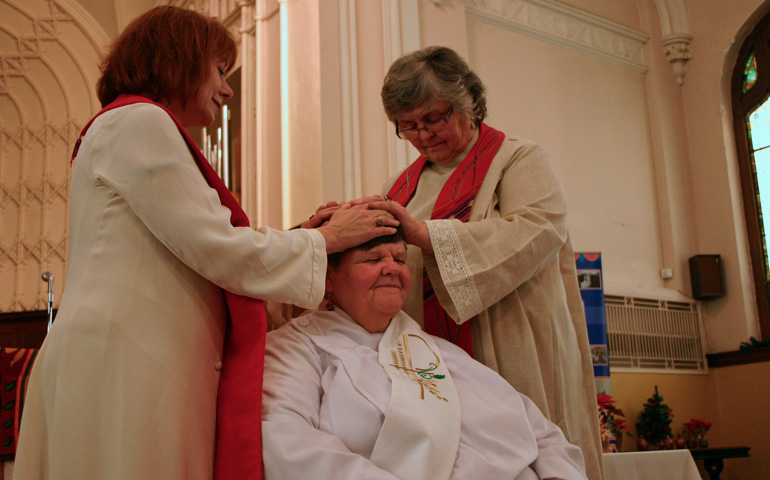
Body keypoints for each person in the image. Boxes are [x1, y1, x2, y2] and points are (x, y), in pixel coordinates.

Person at [12, 6, 396, 480]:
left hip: (141, 356)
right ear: (179, 59)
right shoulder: (140, 122)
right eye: (218, 70)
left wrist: (304, 238)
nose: (228, 88)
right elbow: (215, 247)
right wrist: (324, 240)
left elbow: (199, 241)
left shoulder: (134, 126)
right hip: (129, 362)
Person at [366, 46, 603, 479]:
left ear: (468, 104)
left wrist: (427, 235)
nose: (422, 135)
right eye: (408, 126)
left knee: (528, 456)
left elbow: (537, 229)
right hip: (430, 356)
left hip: (510, 337)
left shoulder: (519, 160)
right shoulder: (399, 186)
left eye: (433, 118)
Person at [261, 229, 588, 480]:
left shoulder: (437, 350)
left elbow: (541, 433)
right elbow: (285, 442)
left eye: (400, 259)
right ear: (328, 278)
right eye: (373, 259)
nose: (391, 268)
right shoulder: (297, 347)